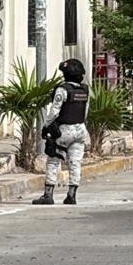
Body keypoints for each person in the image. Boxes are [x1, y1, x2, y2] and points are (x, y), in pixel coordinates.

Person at [32, 59, 90, 206]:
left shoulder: (63, 89)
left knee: (53, 160)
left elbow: (54, 111)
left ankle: (48, 195)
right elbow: (85, 112)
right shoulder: (85, 90)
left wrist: (47, 126)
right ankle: (71, 195)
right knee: (75, 162)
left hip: (63, 130)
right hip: (80, 130)